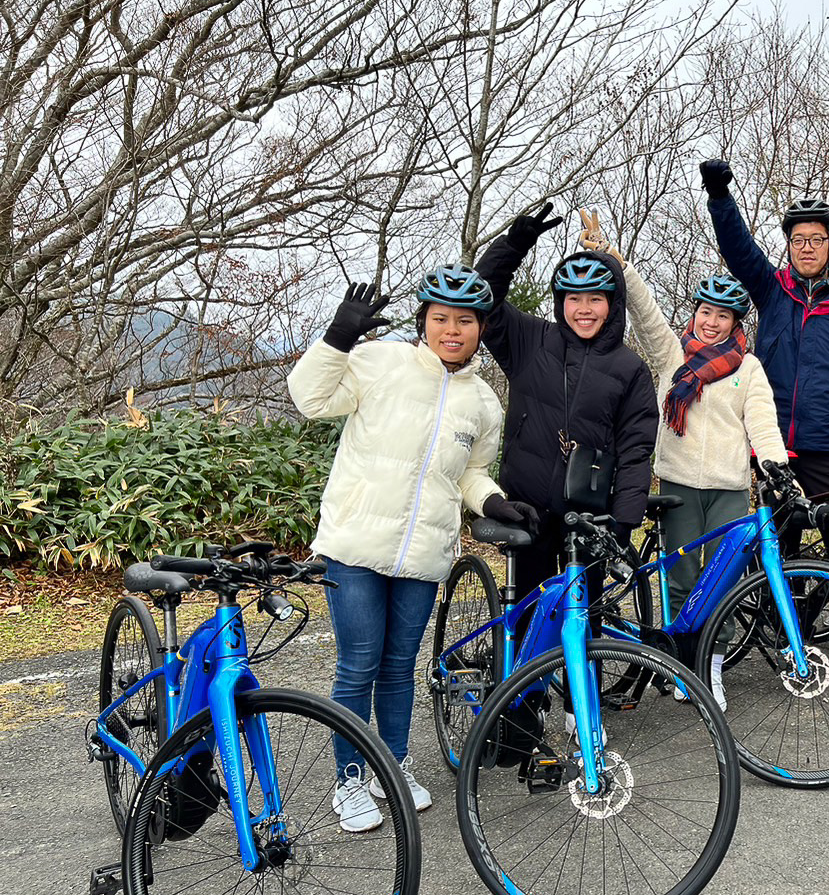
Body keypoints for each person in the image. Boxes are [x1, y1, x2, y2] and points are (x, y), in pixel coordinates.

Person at [288, 267, 537, 832]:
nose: (452, 329)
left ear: (480, 327)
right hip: (354, 543)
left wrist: (494, 503)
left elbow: (470, 473)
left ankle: (391, 764)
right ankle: (350, 780)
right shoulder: (380, 362)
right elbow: (310, 398)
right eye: (441, 318)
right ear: (424, 320)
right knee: (357, 665)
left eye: (465, 320)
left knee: (400, 667)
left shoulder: (483, 402)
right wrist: (336, 338)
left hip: (425, 551)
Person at [577, 210, 788, 709]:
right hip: (676, 486)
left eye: (723, 316)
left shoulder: (748, 367)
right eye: (705, 312)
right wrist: (614, 262)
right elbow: (646, 310)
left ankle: (710, 665)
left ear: (736, 323)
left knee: (723, 578)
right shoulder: (673, 356)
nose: (712, 322)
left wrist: (774, 464)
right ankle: (680, 665)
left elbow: (762, 421)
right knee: (681, 577)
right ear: (694, 313)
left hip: (729, 487)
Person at [698, 160, 829, 603]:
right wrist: (720, 198)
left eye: (816, 240)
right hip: (771, 447)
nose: (807, 248)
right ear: (788, 245)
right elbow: (738, 249)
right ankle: (786, 639)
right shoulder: (773, 289)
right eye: (798, 240)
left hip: (826, 444)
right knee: (778, 551)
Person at [473, 206, 659, 607]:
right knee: (527, 617)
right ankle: (522, 671)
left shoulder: (631, 369)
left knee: (584, 620)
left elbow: (636, 452)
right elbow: (481, 297)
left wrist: (623, 524)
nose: (584, 309)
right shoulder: (531, 340)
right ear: (561, 302)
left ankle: (577, 673)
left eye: (596, 299)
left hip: (591, 517)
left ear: (613, 303)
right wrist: (514, 243)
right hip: (528, 509)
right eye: (574, 299)